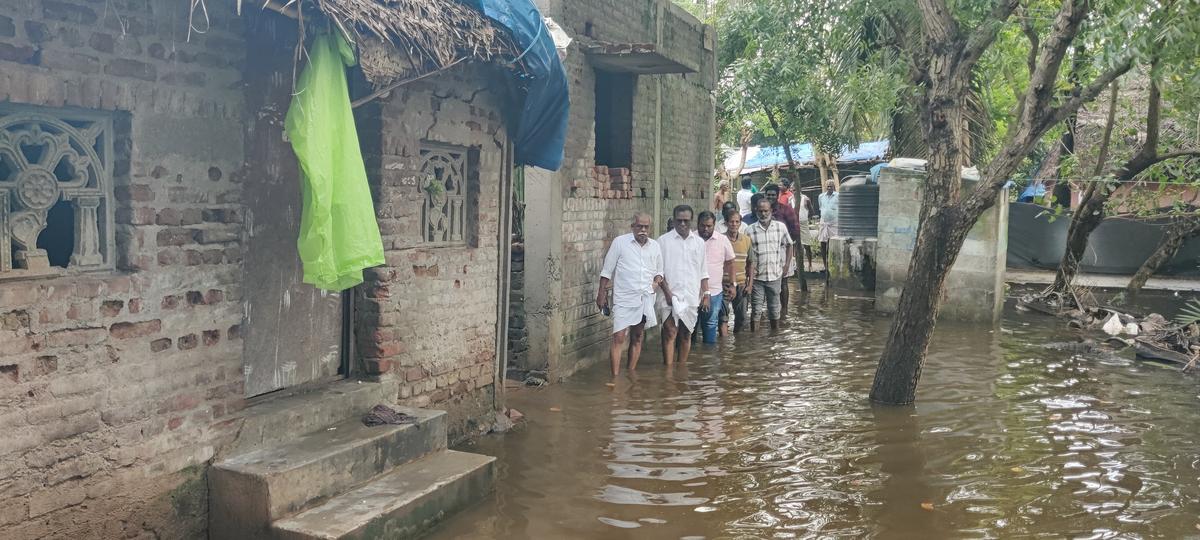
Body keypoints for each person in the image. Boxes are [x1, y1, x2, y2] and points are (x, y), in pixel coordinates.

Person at [597, 212, 671, 377]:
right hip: (624, 298)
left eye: (646, 227)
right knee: (619, 337)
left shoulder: (655, 246)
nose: (643, 230)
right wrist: (601, 293)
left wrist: (656, 281)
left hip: (645, 298)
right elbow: (607, 270)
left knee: (637, 336)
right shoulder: (620, 243)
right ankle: (615, 377)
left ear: (649, 228)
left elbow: (659, 271)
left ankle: (630, 373)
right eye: (639, 226)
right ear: (633, 227)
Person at [657, 205, 708, 365]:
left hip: (691, 296)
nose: (683, 224)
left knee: (686, 334)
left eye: (686, 221)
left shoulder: (699, 243)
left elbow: (703, 271)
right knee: (670, 332)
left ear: (691, 221)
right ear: (674, 220)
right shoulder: (663, 242)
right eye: (679, 221)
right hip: (668, 295)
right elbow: (658, 272)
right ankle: (669, 373)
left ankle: (682, 370)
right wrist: (667, 293)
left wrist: (706, 295)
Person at [746, 198, 793, 330]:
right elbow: (746, 255)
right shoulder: (749, 230)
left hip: (775, 275)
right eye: (760, 211)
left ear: (771, 211)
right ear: (756, 211)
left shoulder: (780, 228)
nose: (763, 214)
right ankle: (754, 340)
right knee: (756, 310)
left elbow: (790, 245)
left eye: (766, 211)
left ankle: (775, 338)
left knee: (774, 309)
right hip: (757, 278)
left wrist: (786, 266)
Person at [762, 184, 803, 316]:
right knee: (765, 280)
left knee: (783, 281)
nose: (771, 197)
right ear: (765, 195)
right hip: (766, 249)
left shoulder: (786, 210)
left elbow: (795, 229)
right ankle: (770, 311)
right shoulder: (761, 209)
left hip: (783, 250)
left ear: (778, 195)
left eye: (773, 194)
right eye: (768, 194)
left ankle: (784, 311)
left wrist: (786, 242)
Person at [696, 211, 734, 344]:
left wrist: (732, 284)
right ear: (697, 224)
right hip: (692, 291)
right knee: (691, 326)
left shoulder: (722, 240)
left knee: (710, 324)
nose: (705, 229)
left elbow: (730, 262)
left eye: (709, 226)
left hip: (715, 292)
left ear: (714, 225)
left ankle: (708, 358)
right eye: (702, 226)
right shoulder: (691, 239)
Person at [720, 208, 752, 334]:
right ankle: (724, 349)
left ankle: (738, 349)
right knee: (722, 318)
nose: (734, 224)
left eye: (737, 222)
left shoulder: (746, 240)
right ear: (726, 223)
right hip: (723, 284)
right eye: (731, 222)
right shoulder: (720, 239)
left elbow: (751, 263)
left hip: (741, 285)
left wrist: (750, 285)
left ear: (740, 223)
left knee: (742, 318)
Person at [817, 180, 839, 272]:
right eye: (828, 186)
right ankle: (825, 265)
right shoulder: (821, 196)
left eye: (831, 186)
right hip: (824, 222)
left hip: (834, 223)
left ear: (834, 187)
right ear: (825, 187)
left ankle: (833, 264)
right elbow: (820, 207)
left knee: (833, 244)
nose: (829, 188)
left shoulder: (838, 196)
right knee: (823, 243)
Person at [795, 188, 814, 271]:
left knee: (807, 244)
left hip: (803, 223)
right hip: (794, 223)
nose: (794, 191)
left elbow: (812, 211)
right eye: (792, 190)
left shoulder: (805, 199)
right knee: (796, 245)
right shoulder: (791, 199)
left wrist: (805, 218)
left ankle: (810, 264)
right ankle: (798, 264)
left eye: (795, 189)